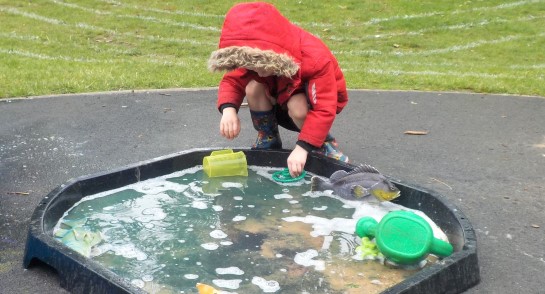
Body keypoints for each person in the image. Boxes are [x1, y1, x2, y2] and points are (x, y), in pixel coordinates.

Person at [208, 2, 349, 177]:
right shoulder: (253, 52)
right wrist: (228, 111)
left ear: (274, 54)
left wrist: (302, 148)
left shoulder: (316, 59)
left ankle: (322, 144)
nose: (257, 71)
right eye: (252, 66)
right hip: (280, 97)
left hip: (308, 106)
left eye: (262, 66)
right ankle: (268, 138)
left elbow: (324, 108)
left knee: (297, 106)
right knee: (253, 87)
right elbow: (233, 80)